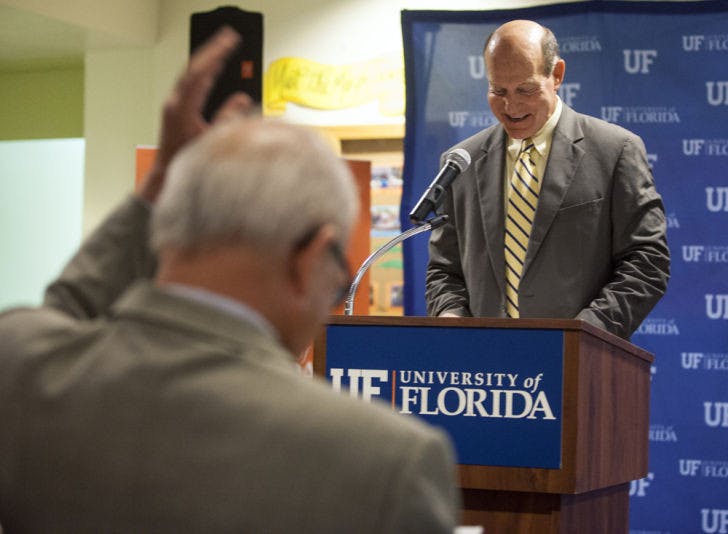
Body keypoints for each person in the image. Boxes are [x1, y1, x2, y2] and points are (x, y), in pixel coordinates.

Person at [0, 28, 460, 533]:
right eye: (337, 271)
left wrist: (157, 185)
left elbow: (63, 309)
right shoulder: (386, 464)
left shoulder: (23, 370)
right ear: (306, 257)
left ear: (166, 224)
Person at [426, 20, 670, 340]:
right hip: (481, 366)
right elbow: (444, 269)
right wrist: (451, 313)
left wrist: (586, 332)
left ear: (556, 75)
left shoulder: (615, 151)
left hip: (576, 362)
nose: (510, 106)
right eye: (498, 91)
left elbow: (647, 262)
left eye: (525, 90)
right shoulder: (460, 162)